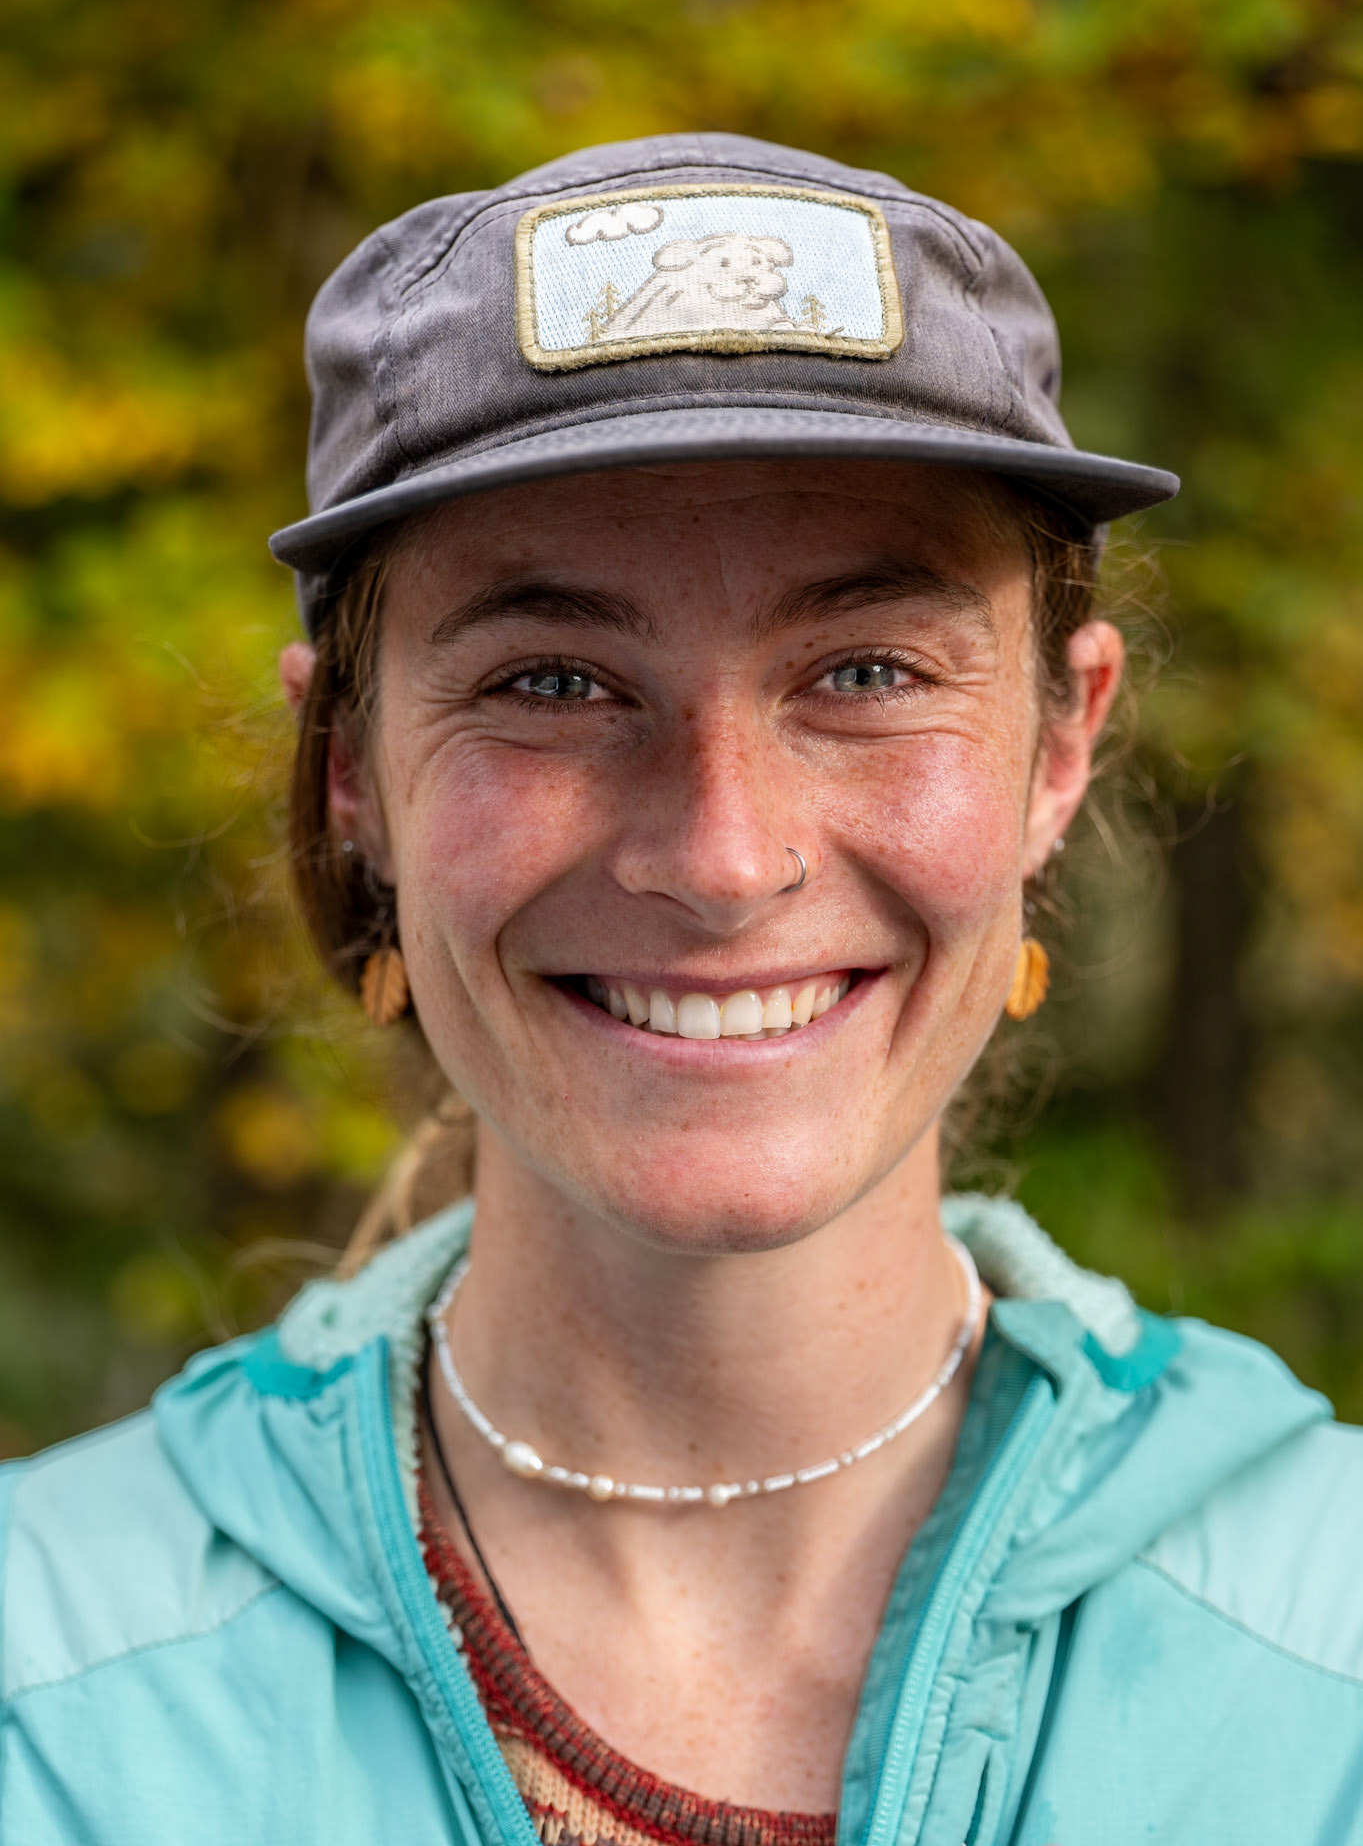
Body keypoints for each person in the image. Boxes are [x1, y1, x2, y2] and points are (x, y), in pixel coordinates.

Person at [2, 134, 1359, 1846]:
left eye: (867, 670)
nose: (723, 858)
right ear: (354, 770)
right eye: (553, 682)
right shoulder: (50, 1687)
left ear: (1058, 746)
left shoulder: (1327, 1649)